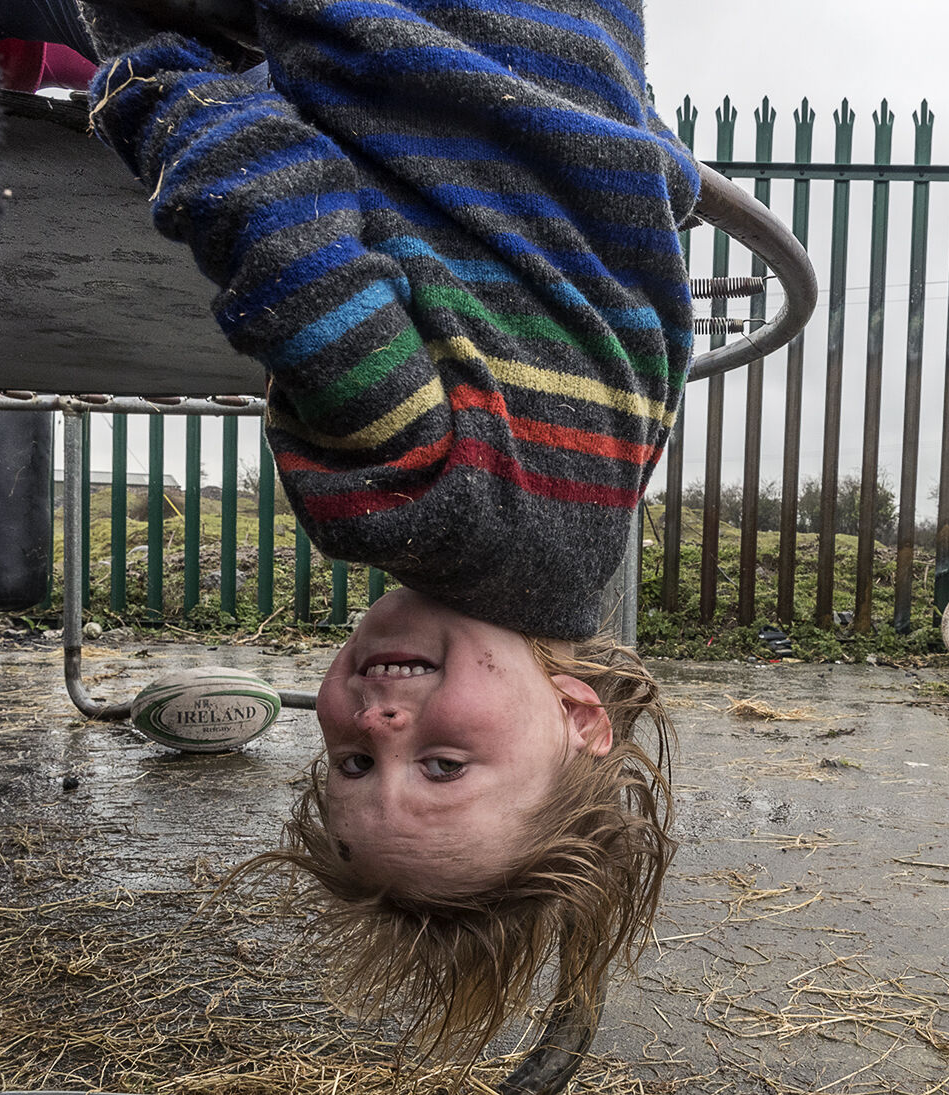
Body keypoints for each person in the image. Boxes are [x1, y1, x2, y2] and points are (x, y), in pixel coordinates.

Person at [78, 0, 697, 1061]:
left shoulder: (605, 485)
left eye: (351, 766)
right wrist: (144, 76)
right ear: (580, 717)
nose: (381, 727)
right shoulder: (404, 495)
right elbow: (267, 209)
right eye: (446, 766)